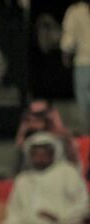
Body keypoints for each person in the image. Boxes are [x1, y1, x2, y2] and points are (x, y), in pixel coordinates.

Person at [3, 132, 90, 224]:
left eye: (44, 154)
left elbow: (84, 205)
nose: (40, 158)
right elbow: (13, 209)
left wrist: (59, 217)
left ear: (53, 154)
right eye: (36, 154)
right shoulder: (22, 180)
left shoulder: (67, 172)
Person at [61, 1, 90, 133]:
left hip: (83, 64)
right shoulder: (76, 11)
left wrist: (66, 56)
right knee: (84, 105)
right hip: (83, 63)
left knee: (84, 106)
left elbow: (69, 39)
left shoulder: (75, 11)